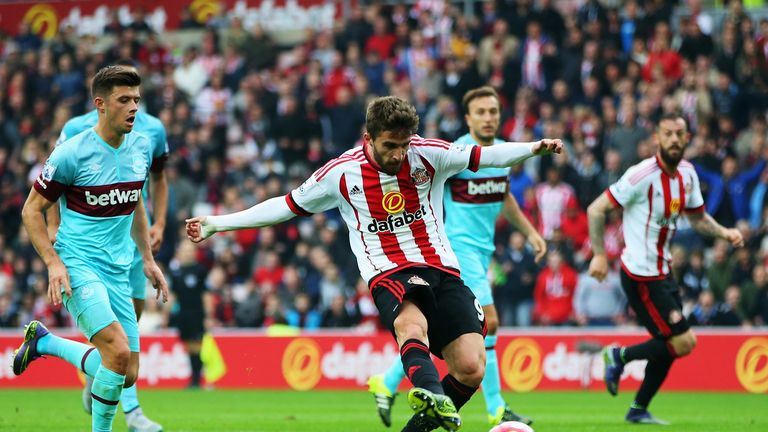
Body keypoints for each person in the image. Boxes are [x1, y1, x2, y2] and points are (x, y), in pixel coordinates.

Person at [186, 96, 562, 431]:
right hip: (389, 270)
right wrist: (219, 223)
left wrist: (533, 148)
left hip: (442, 268)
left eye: (404, 145)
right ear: (369, 138)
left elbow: (484, 157)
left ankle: (422, 421)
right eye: (390, 146)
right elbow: (285, 206)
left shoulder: (427, 153)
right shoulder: (340, 173)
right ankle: (433, 393)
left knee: (470, 366)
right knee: (410, 322)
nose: (399, 154)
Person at [366, 86, 545, 427]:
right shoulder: (458, 153)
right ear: (468, 118)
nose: (489, 118)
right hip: (456, 249)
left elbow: (504, 197)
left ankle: (387, 382)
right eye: (481, 112)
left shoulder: (503, 154)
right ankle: (495, 406)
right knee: (488, 321)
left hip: (483, 251)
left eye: (493, 111)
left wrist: (531, 232)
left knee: (445, 328)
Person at [13, 66, 169, 432]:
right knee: (114, 351)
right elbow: (31, 209)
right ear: (100, 104)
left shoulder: (142, 145)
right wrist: (53, 263)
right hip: (78, 263)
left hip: (119, 269)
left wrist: (147, 259)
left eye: (136, 99)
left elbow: (135, 203)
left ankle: (45, 344)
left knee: (126, 373)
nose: (134, 107)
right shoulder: (72, 152)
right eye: (124, 100)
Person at [587, 112, 744, 425]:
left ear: (688, 139)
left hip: (663, 271)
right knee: (683, 341)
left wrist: (724, 232)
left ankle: (638, 409)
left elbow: (698, 218)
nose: (674, 139)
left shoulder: (687, 174)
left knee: (670, 344)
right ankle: (619, 356)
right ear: (656, 138)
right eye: (668, 133)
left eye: (679, 133)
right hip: (640, 275)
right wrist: (600, 255)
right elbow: (596, 209)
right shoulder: (640, 175)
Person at [169, 241, 214, 389]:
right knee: (188, 346)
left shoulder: (200, 270)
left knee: (197, 346)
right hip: (183, 314)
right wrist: (166, 312)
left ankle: (197, 379)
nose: (187, 253)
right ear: (180, 253)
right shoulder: (176, 272)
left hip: (197, 313)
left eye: (190, 250)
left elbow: (205, 295)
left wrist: (208, 315)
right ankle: (194, 378)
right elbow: (173, 295)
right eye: (185, 250)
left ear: (194, 252)